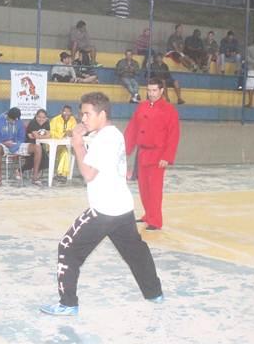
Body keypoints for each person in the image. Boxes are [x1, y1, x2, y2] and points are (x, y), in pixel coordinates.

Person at [39, 91, 164, 315]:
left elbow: (88, 173)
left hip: (104, 210)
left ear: (102, 114)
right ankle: (154, 292)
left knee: (67, 248)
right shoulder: (112, 134)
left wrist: (77, 143)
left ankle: (68, 303)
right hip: (122, 208)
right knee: (135, 251)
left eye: (87, 114)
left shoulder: (105, 138)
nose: (83, 119)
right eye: (82, 115)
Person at [124, 78, 180, 231]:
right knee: (143, 187)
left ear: (162, 91)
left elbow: (173, 135)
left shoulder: (169, 110)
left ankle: (155, 220)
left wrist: (166, 157)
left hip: (158, 155)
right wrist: (125, 150)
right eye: (149, 90)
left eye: (155, 90)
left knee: (154, 189)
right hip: (142, 153)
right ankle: (148, 215)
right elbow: (133, 129)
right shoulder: (142, 107)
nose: (151, 93)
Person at [0, 107, 27, 187]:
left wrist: (16, 145)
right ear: (8, 116)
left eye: (16, 120)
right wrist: (4, 143)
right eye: (13, 120)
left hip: (16, 144)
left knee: (36, 147)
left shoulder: (19, 122)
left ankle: (34, 178)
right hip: (2, 145)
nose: (15, 121)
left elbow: (22, 137)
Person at [50, 105, 78, 181]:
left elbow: (75, 131)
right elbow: (51, 133)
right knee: (66, 152)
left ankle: (61, 174)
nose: (67, 113)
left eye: (69, 112)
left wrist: (72, 133)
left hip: (66, 145)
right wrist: (63, 134)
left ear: (71, 113)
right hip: (54, 146)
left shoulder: (73, 120)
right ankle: (62, 174)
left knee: (66, 152)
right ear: (61, 112)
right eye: (65, 111)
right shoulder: (55, 120)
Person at [24, 108, 49, 186]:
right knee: (42, 155)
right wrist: (43, 136)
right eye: (39, 117)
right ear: (36, 116)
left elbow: (49, 134)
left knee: (45, 156)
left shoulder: (47, 123)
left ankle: (34, 173)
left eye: (43, 117)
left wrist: (39, 136)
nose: (41, 119)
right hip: (29, 144)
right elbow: (36, 136)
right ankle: (35, 176)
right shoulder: (33, 123)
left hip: (39, 144)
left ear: (46, 118)